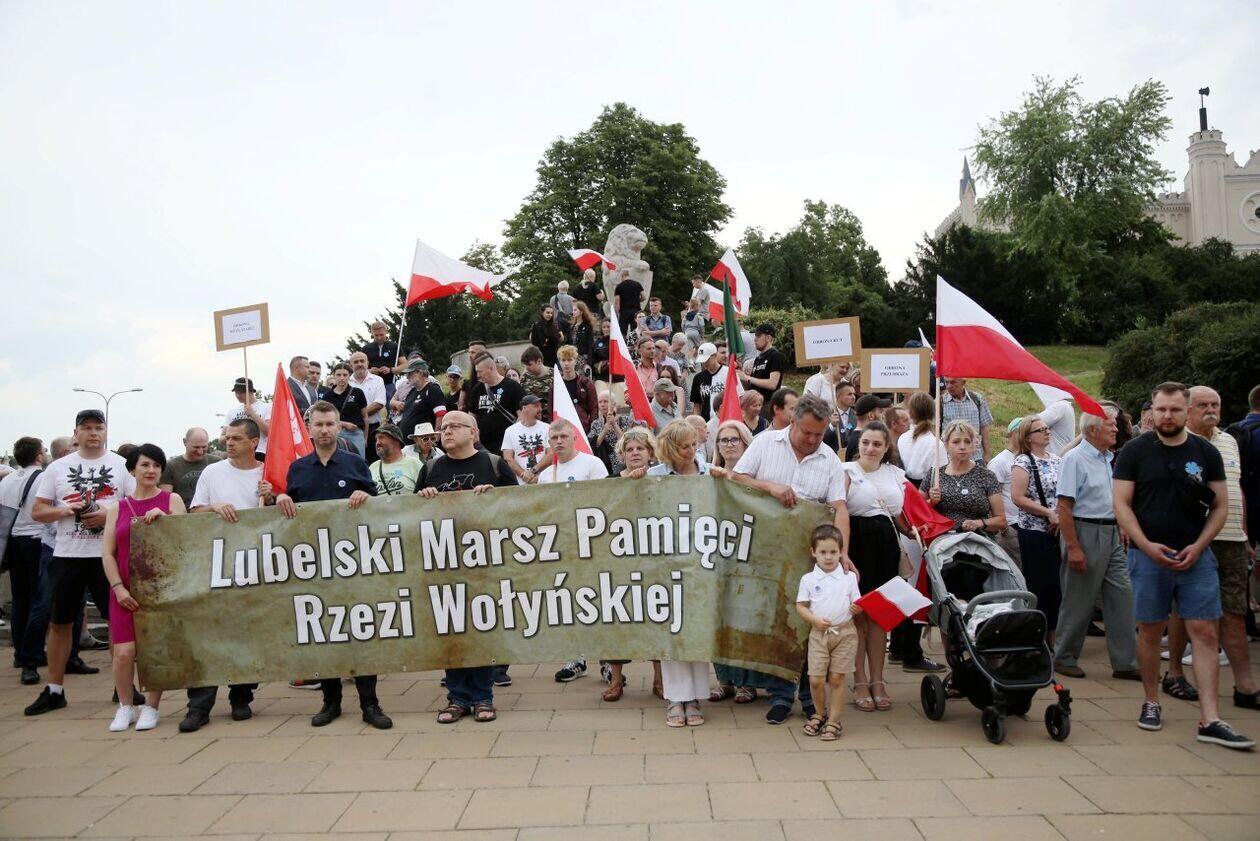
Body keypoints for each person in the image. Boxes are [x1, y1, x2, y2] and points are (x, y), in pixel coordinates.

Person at [1113, 382, 1252, 748]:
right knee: (1150, 629)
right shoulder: (1134, 451)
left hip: (1196, 555)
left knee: (1205, 631)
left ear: (1186, 411)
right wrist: (1145, 545)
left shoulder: (1206, 452)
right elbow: (1122, 504)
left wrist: (1200, 545)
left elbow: (1221, 505)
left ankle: (1210, 718)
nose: (1167, 416)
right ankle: (1151, 701)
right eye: (1161, 409)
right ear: (1153, 410)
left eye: (1174, 409)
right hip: (1147, 555)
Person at [730, 394, 853, 724]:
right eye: (807, 432)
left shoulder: (829, 459)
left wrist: (842, 552)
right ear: (793, 422)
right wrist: (770, 487)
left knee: (810, 621)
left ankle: (810, 697)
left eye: (819, 434)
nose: (812, 440)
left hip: (810, 553)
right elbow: (737, 480)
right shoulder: (765, 443)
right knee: (777, 622)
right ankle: (781, 695)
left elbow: (839, 508)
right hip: (767, 550)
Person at [275, 401, 392, 730]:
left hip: (353, 561)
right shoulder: (298, 469)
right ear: (309, 429)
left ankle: (370, 703)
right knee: (323, 633)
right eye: (319, 424)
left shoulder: (356, 464)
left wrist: (366, 498)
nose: (325, 430)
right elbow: (289, 513)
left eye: (330, 424)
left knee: (361, 631)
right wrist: (280, 498)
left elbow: (377, 505)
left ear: (339, 427)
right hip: (314, 564)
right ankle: (331, 702)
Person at [25, 409, 135, 716]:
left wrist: (107, 515)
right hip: (68, 555)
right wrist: (66, 511)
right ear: (76, 433)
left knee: (117, 623)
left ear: (105, 431)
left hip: (107, 556)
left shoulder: (120, 466)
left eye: (98, 427)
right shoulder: (58, 468)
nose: (93, 433)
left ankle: (124, 687)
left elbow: (134, 506)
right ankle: (54, 689)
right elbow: (38, 511)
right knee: (59, 623)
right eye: (86, 428)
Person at [417, 411, 517, 723]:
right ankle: (457, 698)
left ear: (473, 432)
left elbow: (519, 507)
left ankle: (483, 696)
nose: (446, 432)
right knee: (452, 629)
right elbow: (413, 514)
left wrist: (495, 497)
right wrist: (424, 498)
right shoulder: (430, 468)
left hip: (484, 561)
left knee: (481, 627)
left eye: (454, 426)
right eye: (443, 428)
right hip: (444, 562)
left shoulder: (494, 464)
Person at [182, 417, 273, 730]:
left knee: (247, 634)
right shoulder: (212, 472)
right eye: (227, 438)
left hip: (254, 566)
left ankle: (241, 696)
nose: (229, 443)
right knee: (208, 634)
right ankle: (199, 704)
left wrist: (274, 497)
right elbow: (195, 512)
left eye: (236, 438)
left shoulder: (267, 473)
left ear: (253, 442)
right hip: (216, 564)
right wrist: (214, 508)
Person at [100, 443, 183, 732]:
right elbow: (108, 553)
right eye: (145, 465)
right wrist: (117, 587)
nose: (151, 470)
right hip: (124, 588)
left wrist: (166, 521)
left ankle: (152, 706)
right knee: (123, 653)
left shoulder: (171, 500)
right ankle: (125, 706)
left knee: (154, 650)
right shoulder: (118, 508)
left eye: (157, 466)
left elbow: (186, 541)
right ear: (132, 469)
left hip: (159, 588)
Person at [1053, 406, 1139, 680]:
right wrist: (1073, 547)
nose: (1116, 428)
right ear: (1093, 429)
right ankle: (1064, 657)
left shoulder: (1106, 458)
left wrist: (1119, 526)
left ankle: (1126, 662)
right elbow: (1064, 506)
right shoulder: (1074, 459)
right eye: (1111, 424)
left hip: (1109, 532)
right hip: (1084, 531)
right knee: (1079, 599)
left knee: (1122, 596)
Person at [1184, 386, 1256, 708]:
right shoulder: (1178, 442)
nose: (1211, 410)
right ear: (1188, 409)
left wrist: (1244, 532)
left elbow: (1236, 488)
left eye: (1215, 404)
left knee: (1235, 613)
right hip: (1196, 538)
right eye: (1203, 405)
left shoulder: (1229, 440)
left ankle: (1245, 686)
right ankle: (1177, 675)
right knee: (1194, 617)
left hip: (1232, 540)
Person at [640, 420, 714, 726]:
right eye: (684, 446)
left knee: (697, 628)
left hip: (702, 563)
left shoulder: (709, 473)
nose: (690, 451)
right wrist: (631, 478)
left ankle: (694, 696)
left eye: (694, 444)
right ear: (670, 448)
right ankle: (675, 697)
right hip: (666, 564)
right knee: (672, 628)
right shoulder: (654, 475)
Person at [843, 422, 910, 713]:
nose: (870, 448)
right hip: (857, 544)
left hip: (886, 546)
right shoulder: (847, 471)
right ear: (859, 444)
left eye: (877, 444)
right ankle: (859, 680)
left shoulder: (895, 474)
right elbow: (837, 509)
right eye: (866, 443)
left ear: (886, 448)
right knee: (859, 615)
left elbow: (902, 516)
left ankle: (878, 680)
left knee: (881, 616)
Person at [596, 427, 660, 700]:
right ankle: (616, 681)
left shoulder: (661, 479)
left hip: (652, 559)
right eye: (630, 449)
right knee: (617, 618)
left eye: (640, 449)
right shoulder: (610, 481)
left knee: (656, 617)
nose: (635, 453)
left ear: (650, 453)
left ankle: (659, 680)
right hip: (619, 559)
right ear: (622, 454)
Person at [796, 524, 863, 741]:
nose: (828, 557)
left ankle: (834, 720)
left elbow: (857, 601)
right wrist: (814, 620)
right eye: (823, 552)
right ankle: (819, 713)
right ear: (813, 552)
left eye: (833, 552)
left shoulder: (848, 578)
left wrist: (857, 608)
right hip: (819, 635)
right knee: (816, 679)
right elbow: (801, 606)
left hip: (845, 633)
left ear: (841, 552)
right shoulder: (808, 579)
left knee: (836, 678)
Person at [1011, 415, 1064, 645]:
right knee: (1042, 584)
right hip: (1034, 532)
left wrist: (1059, 514)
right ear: (1028, 437)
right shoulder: (1023, 462)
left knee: (1058, 585)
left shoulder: (1056, 460)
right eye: (1040, 430)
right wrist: (1047, 512)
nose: (1047, 432)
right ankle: (1040, 637)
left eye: (1046, 428)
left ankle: (1055, 635)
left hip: (1057, 529)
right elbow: (1018, 497)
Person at [1, 437, 48, 686]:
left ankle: (20, 651)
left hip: (13, 542)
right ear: (38, 456)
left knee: (20, 599)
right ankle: (33, 654)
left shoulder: (7, 479)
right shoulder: (42, 477)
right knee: (39, 600)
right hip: (35, 539)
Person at [985, 418, 1026, 568]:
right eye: (1020, 431)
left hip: (1027, 526)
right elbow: (989, 496)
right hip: (1010, 527)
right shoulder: (1000, 461)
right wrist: (1003, 528)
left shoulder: (1028, 459)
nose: (1024, 435)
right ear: (1011, 434)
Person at [466, 352, 525, 454]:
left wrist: (513, 437)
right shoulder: (477, 390)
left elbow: (522, 415)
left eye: (480, 372)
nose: (477, 375)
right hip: (483, 447)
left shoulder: (512, 387)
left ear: (491, 368)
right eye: (476, 372)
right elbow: (471, 417)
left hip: (507, 446)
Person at [158, 428, 221, 508]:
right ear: (185, 442)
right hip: (182, 514)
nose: (200, 451)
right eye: (196, 447)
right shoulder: (170, 466)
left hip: (213, 512)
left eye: (204, 447)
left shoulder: (216, 462)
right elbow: (165, 501)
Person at [897, 391, 946, 485]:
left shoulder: (902, 438)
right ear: (933, 413)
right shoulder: (936, 445)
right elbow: (940, 479)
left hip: (905, 488)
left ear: (910, 412)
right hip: (925, 490)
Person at [941, 378, 993, 464]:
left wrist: (987, 454)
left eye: (953, 382)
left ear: (963, 382)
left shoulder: (977, 399)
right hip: (950, 459)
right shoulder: (940, 403)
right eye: (946, 382)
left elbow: (984, 428)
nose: (949, 386)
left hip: (976, 457)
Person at [539, 419, 607, 483]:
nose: (559, 441)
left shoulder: (593, 464)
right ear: (550, 443)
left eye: (563, 436)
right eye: (554, 438)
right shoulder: (544, 476)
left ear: (574, 439)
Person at [322, 362, 369, 456]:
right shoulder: (327, 396)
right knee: (336, 461)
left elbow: (365, 417)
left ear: (350, 376)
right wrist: (344, 424)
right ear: (334, 375)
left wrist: (365, 438)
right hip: (334, 433)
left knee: (358, 461)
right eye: (338, 375)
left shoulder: (357, 393)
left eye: (345, 375)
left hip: (355, 434)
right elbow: (324, 418)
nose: (342, 378)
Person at [348, 352, 388, 463]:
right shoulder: (346, 382)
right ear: (351, 365)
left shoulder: (378, 380)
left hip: (373, 429)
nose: (359, 364)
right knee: (353, 462)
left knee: (373, 462)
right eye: (356, 362)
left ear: (367, 363)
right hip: (351, 429)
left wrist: (357, 416)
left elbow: (379, 403)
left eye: (362, 361)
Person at [502, 395, 550, 484]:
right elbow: (508, 458)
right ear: (524, 408)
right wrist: (523, 475)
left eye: (540, 406)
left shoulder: (547, 428)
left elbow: (551, 454)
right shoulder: (510, 431)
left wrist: (533, 471)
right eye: (536, 406)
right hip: (520, 483)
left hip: (544, 480)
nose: (540, 409)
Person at [740, 322, 785, 418]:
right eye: (755, 336)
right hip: (754, 405)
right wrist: (741, 374)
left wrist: (748, 378)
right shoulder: (758, 359)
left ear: (768, 338)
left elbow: (772, 384)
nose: (755, 339)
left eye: (758, 336)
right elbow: (752, 385)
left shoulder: (775, 356)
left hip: (767, 405)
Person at [396, 359, 449, 439]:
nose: (407, 377)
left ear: (420, 373)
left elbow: (441, 415)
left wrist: (435, 439)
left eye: (410, 373)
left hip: (424, 442)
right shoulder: (412, 392)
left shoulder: (433, 389)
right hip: (407, 442)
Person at [224, 377, 272, 459]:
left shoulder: (267, 408)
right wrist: (233, 436)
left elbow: (269, 431)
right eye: (236, 392)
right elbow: (222, 437)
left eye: (241, 392)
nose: (238, 395)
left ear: (251, 391)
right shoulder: (232, 412)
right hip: (238, 454)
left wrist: (252, 414)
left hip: (260, 453)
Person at [589, 391, 634, 474]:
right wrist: (605, 430)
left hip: (622, 460)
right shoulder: (595, 423)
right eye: (600, 402)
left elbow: (626, 441)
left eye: (605, 401)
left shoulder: (625, 420)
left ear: (614, 404)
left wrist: (614, 424)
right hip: (604, 461)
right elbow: (594, 445)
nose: (602, 405)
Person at [369, 424, 421, 495]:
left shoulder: (414, 464)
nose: (377, 443)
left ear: (396, 440)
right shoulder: (372, 468)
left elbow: (427, 493)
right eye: (376, 439)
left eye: (382, 438)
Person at [835, 394, 890, 460]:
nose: (883, 416)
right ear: (871, 416)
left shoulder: (858, 438)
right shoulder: (859, 442)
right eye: (880, 412)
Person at [556, 345, 598, 429]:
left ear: (575, 361)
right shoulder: (556, 385)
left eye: (569, 360)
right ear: (559, 362)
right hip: (563, 427)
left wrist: (593, 429)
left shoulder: (586, 383)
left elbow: (594, 408)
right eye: (563, 360)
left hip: (584, 427)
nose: (566, 363)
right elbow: (552, 409)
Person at [361, 321, 400, 399]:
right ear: (372, 333)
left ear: (386, 332)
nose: (379, 337)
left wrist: (390, 370)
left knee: (390, 405)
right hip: (370, 385)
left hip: (389, 384)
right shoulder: (366, 348)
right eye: (376, 335)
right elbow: (358, 367)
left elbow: (404, 365)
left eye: (381, 334)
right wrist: (369, 371)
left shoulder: (395, 346)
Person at [689, 343, 725, 422]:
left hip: (726, 420)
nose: (704, 363)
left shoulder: (728, 373)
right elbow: (697, 405)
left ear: (714, 356)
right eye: (702, 361)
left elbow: (739, 397)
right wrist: (697, 422)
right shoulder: (698, 378)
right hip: (706, 422)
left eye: (707, 360)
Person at [518, 346, 553, 423]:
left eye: (529, 364)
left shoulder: (555, 375)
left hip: (550, 419)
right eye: (525, 365)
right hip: (531, 419)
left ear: (539, 361)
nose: (527, 368)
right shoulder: (525, 377)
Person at [613, 268, 645, 337]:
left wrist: (616, 315)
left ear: (622, 276)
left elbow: (617, 303)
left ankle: (623, 343)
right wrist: (637, 300)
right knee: (636, 331)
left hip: (624, 312)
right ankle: (636, 343)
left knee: (622, 332)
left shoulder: (619, 286)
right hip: (636, 311)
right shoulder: (637, 284)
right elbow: (644, 297)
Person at [570, 301, 598, 367]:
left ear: (581, 312)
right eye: (573, 310)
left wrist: (589, 361)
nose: (573, 312)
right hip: (573, 358)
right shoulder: (572, 327)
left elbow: (590, 344)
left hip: (583, 358)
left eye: (575, 310)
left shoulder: (587, 327)